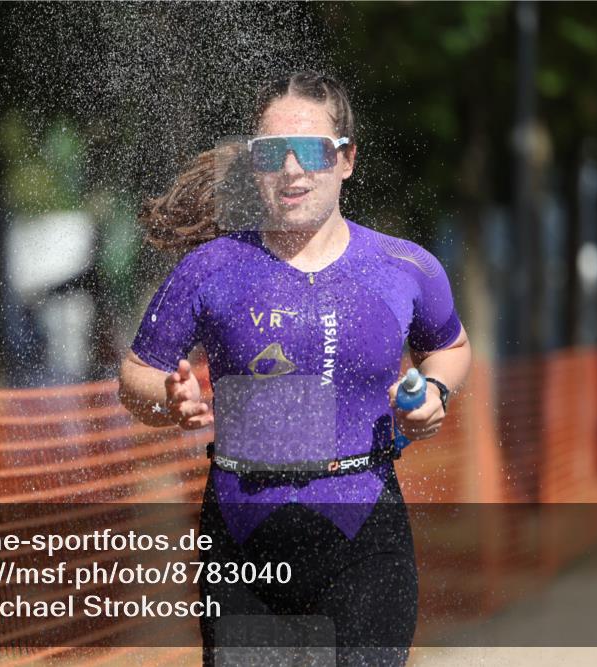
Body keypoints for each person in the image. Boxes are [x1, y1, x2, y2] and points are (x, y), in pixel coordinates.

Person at [119, 71, 472, 666]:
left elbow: (452, 346)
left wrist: (435, 388)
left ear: (346, 159)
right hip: (243, 535)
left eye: (310, 150)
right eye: (270, 153)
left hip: (365, 531)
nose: (290, 169)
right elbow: (136, 375)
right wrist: (167, 398)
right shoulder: (210, 269)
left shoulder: (405, 266)